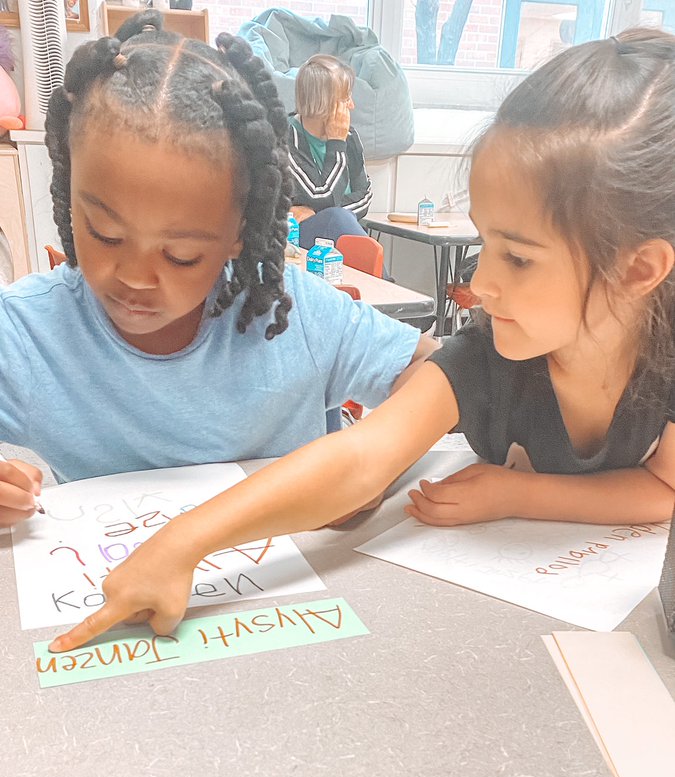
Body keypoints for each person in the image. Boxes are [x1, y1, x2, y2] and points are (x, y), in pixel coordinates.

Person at [52, 28, 675, 654]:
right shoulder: (488, 360)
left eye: (516, 258)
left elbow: (664, 491)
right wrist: (180, 543)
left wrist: (524, 493)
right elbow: (358, 458)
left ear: (637, 270)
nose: (479, 283)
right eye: (485, 243)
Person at [0, 13, 434, 524]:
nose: (136, 278)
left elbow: (437, 370)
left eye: (181, 255)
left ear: (238, 234)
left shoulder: (294, 316)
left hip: (290, 590)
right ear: (68, 195)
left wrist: (368, 458)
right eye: (106, 235)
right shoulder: (29, 333)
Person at [287, 54, 372, 250]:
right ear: (323, 103)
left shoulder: (349, 137)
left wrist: (317, 212)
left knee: (337, 216)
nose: (352, 105)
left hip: (339, 240)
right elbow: (320, 196)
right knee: (336, 217)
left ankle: (383, 281)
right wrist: (336, 144)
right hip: (297, 242)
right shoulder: (286, 138)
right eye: (345, 98)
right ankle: (385, 281)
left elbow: (364, 196)